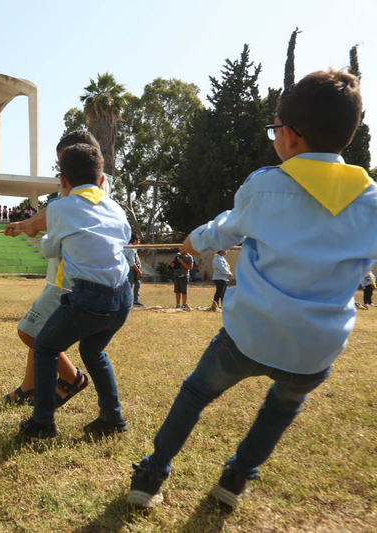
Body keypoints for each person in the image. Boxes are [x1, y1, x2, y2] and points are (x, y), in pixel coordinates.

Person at [127, 69, 377, 509]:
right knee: (281, 408)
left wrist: (191, 242)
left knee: (196, 393)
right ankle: (235, 481)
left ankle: (150, 477)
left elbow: (220, 232)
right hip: (315, 350)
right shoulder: (371, 203)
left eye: (274, 130)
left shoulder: (266, 186)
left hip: (248, 336)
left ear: (291, 137)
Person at [17, 142, 132, 439]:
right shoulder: (116, 208)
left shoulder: (60, 207)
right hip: (123, 297)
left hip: (88, 297)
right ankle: (113, 418)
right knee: (93, 350)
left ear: (63, 181)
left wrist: (32, 230)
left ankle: (42, 423)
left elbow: (50, 250)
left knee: (44, 346)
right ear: (102, 180)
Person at [2, 131, 106, 410]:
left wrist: (28, 226)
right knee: (39, 329)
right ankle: (29, 388)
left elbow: (57, 215)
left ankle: (72, 379)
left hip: (70, 281)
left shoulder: (94, 187)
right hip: (58, 275)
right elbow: (50, 214)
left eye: (64, 163)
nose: (63, 172)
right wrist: (26, 224)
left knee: (32, 333)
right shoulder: (76, 185)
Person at [123, 234, 144, 306]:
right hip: (131, 269)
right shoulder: (131, 249)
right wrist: (138, 271)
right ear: (135, 241)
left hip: (133, 268)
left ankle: (135, 300)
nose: (139, 242)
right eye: (138, 240)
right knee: (130, 285)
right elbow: (132, 263)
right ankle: (127, 301)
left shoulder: (133, 248)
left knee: (137, 284)